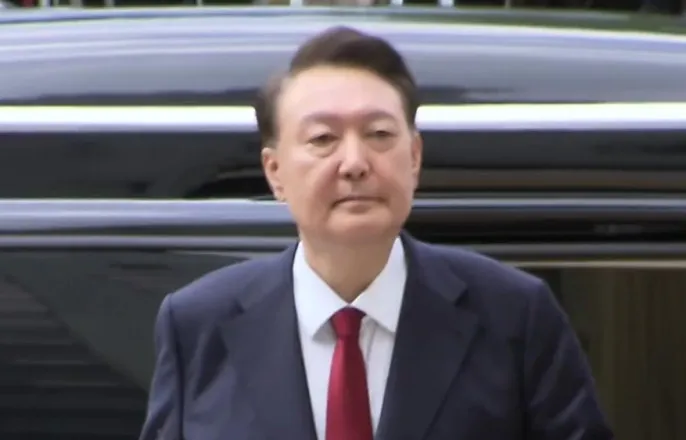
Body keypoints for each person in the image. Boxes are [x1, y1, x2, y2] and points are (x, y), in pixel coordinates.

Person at [139, 26, 614, 440]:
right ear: (275, 171)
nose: (354, 163)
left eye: (379, 135)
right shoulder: (198, 325)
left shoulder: (515, 316)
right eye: (323, 139)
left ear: (415, 157)